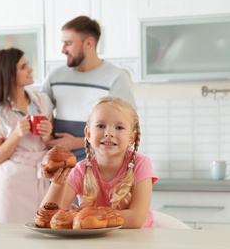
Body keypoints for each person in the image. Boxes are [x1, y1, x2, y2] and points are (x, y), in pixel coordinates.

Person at [40, 96, 157, 228]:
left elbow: (136, 219)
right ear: (88, 134)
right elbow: (48, 219)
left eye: (119, 127)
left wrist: (88, 217)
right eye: (101, 126)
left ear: (131, 138)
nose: (109, 133)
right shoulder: (80, 170)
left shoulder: (141, 164)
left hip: (137, 245)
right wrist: (56, 184)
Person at [41, 15, 136, 162]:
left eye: (68, 43)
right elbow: (40, 111)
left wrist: (78, 142)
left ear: (89, 43)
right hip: (61, 168)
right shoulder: (55, 76)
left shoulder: (116, 78)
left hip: (100, 168)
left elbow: (128, 130)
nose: (63, 50)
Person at [0, 48, 54, 223]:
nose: (30, 69)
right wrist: (15, 135)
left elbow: (51, 145)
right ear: (10, 75)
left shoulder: (42, 102)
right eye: (23, 66)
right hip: (10, 188)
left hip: (40, 182)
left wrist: (47, 135)